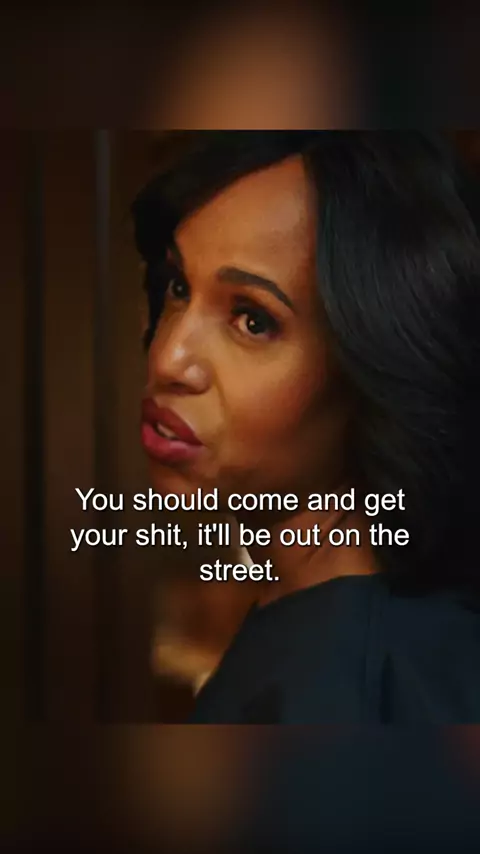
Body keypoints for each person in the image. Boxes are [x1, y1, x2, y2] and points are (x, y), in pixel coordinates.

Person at [131, 131, 480, 723]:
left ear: (375, 371)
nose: (169, 359)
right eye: (179, 287)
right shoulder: (316, 616)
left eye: (252, 320)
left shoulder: (349, 685)